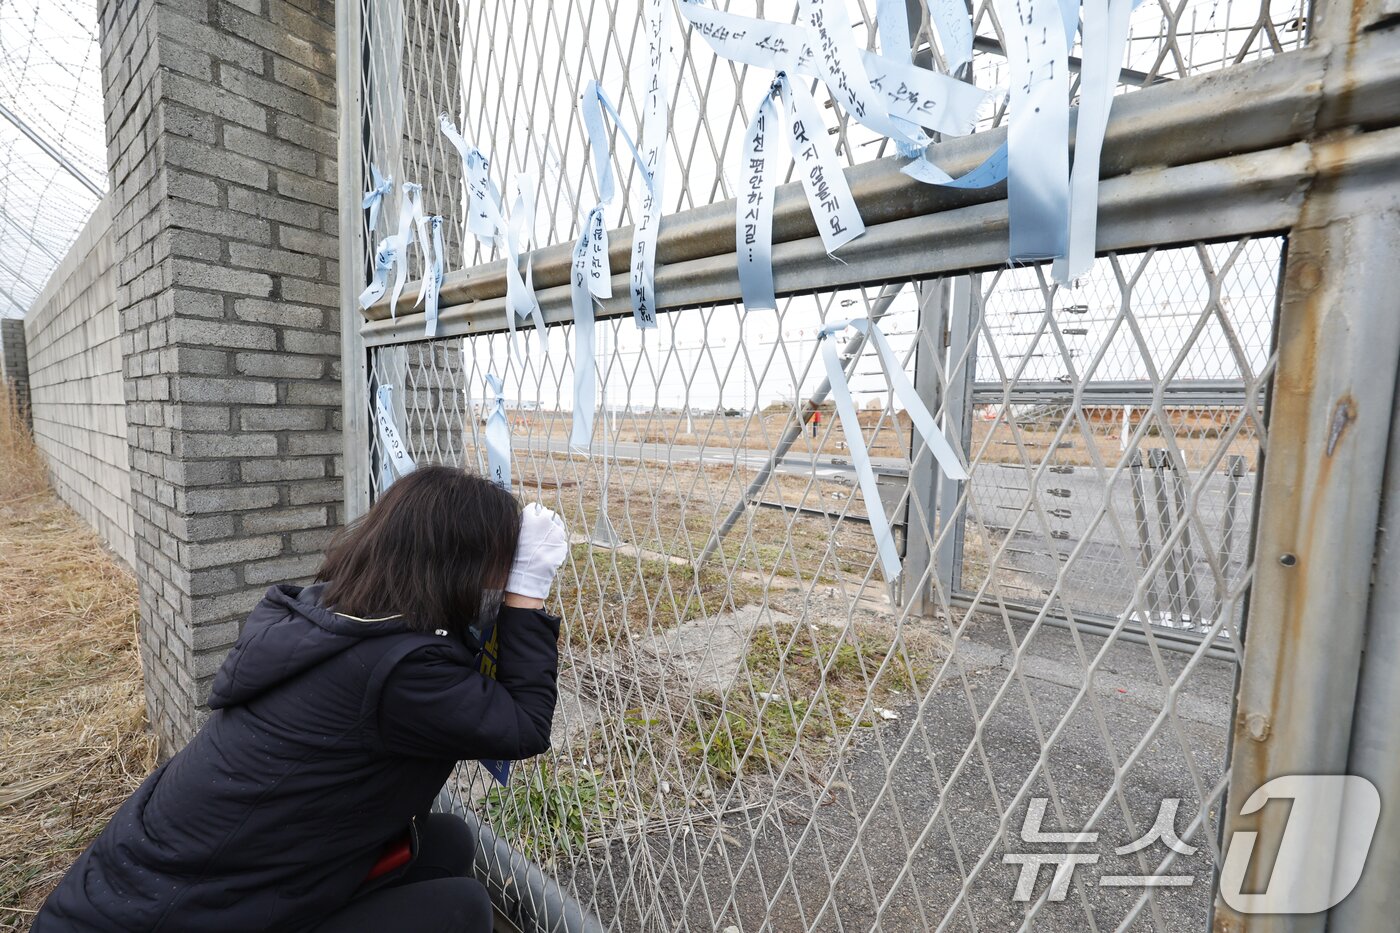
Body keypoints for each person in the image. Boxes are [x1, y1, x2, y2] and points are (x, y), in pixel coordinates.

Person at [33, 466, 570, 933]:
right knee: (461, 909)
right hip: (179, 912)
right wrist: (526, 597)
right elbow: (522, 724)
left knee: (446, 842)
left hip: (162, 878)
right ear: (456, 567)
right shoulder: (401, 670)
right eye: (501, 565)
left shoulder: (333, 616)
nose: (498, 583)